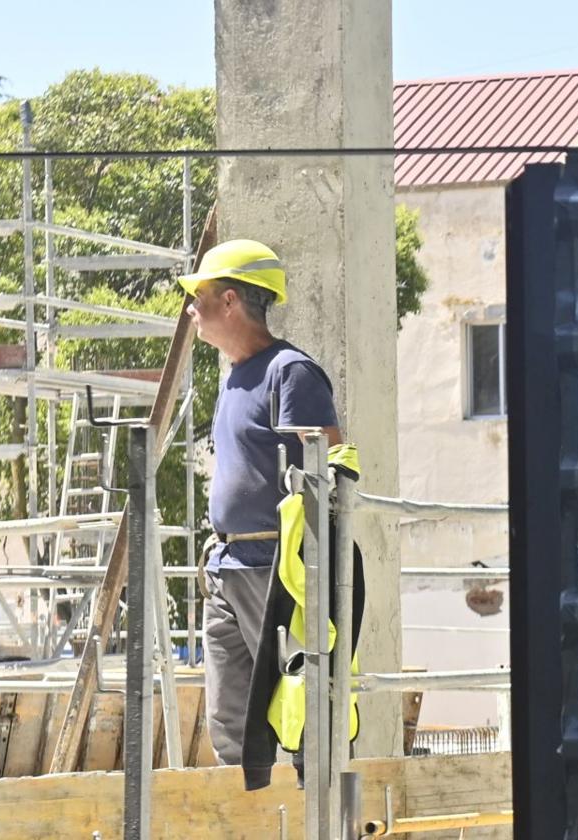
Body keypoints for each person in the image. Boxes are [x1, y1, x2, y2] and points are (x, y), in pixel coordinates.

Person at [177, 239, 342, 766]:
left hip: (274, 569)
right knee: (230, 720)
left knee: (295, 710)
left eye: (197, 298)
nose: (190, 310)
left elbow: (331, 468)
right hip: (227, 566)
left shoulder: (289, 373)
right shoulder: (232, 378)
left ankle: (308, 815)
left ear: (229, 301)